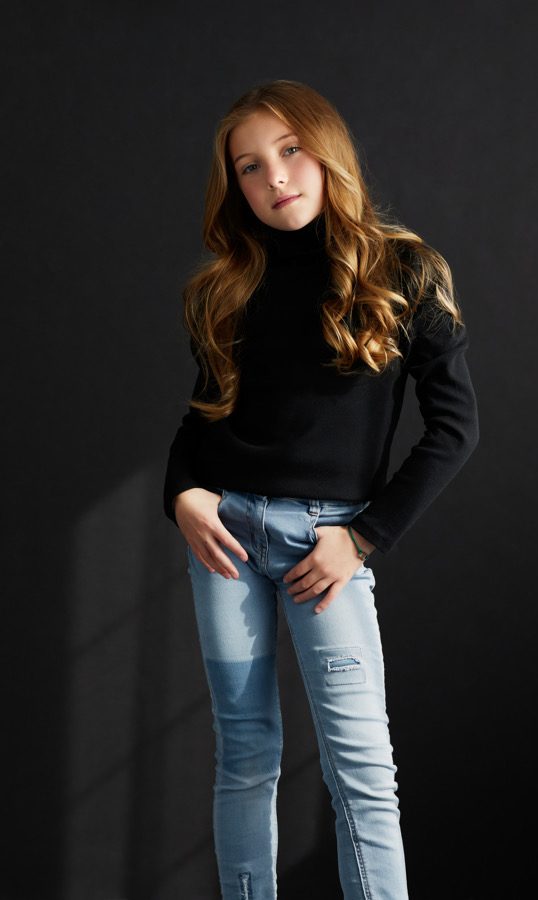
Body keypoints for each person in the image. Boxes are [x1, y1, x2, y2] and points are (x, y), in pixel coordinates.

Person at [163, 79, 479, 900]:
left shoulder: (404, 270)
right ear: (235, 186)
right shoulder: (228, 286)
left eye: (290, 150)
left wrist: (363, 537)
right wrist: (183, 494)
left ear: (327, 147)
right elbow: (203, 418)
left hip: (325, 546)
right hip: (225, 539)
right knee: (244, 756)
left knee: (361, 769)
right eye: (249, 167)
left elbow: (455, 430)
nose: (274, 177)